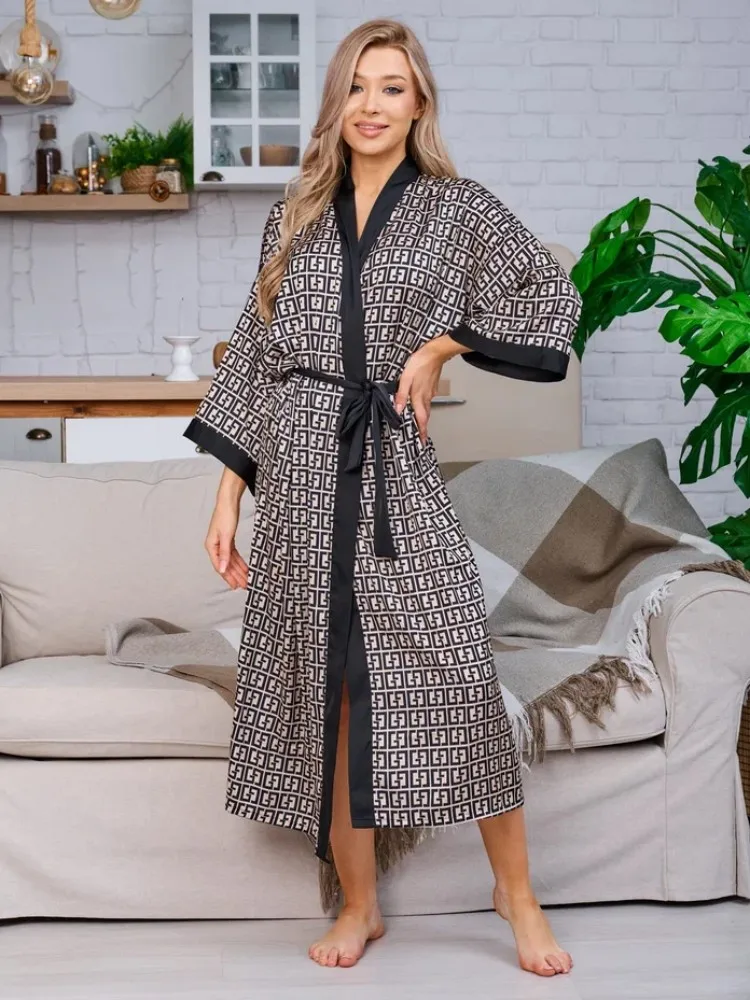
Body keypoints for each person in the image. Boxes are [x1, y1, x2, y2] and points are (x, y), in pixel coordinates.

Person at [184, 17, 581, 978]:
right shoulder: (295, 215)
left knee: (460, 682)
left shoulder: (455, 208)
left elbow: (550, 301)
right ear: (337, 102)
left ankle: (516, 894)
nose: (372, 105)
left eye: (392, 87)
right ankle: (359, 903)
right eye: (357, 87)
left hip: (395, 469)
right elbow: (258, 358)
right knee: (329, 695)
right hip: (300, 470)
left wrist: (443, 344)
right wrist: (228, 496)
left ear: (419, 103)